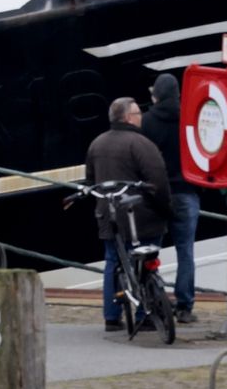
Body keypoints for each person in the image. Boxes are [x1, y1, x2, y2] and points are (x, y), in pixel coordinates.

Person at [83, 96, 172, 334]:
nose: (141, 117)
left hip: (109, 214)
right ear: (128, 118)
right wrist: (166, 211)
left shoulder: (97, 144)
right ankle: (147, 313)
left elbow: (90, 180)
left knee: (113, 261)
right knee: (147, 261)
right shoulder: (141, 144)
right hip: (140, 216)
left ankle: (111, 317)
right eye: (138, 114)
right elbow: (158, 181)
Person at [138, 73, 200, 324]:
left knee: (150, 250)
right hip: (186, 190)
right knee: (186, 251)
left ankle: (151, 304)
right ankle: (184, 306)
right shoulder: (190, 117)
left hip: (156, 193)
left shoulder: (147, 122)